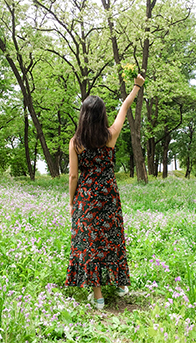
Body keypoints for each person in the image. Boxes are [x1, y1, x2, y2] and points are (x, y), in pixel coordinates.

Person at [67, 76, 143, 308]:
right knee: (112, 237)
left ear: (83, 115)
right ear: (102, 115)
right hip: (109, 195)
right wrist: (136, 87)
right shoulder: (110, 135)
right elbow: (125, 107)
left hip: (87, 197)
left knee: (91, 241)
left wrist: (72, 202)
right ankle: (120, 284)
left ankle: (98, 297)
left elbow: (73, 176)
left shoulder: (76, 142)